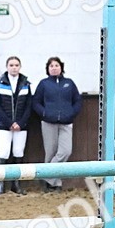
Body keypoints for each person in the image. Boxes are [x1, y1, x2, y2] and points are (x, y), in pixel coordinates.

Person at [32, 56, 82, 192]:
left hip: (66, 123)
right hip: (48, 123)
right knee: (50, 152)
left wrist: (71, 113)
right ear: (48, 69)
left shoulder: (69, 83)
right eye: (51, 66)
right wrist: (44, 113)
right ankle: (55, 184)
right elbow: (36, 102)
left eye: (56, 65)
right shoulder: (43, 84)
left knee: (65, 151)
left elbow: (77, 101)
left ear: (61, 67)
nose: (54, 68)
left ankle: (45, 176)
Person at [0, 56, 33, 195]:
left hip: (21, 125)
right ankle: (1, 184)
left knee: (18, 152)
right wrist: (9, 123)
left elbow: (28, 105)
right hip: (4, 125)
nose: (14, 67)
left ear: (20, 67)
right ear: (7, 67)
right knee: (3, 153)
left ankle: (16, 184)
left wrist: (20, 123)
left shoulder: (26, 83)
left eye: (16, 65)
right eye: (11, 65)